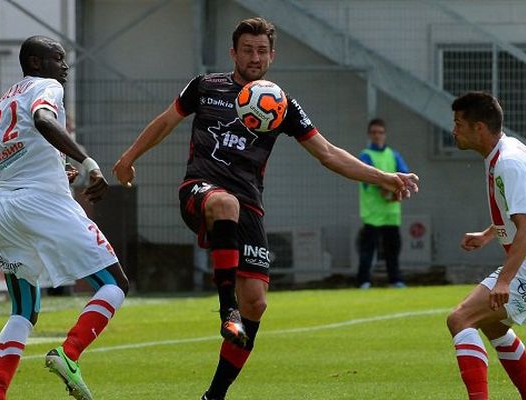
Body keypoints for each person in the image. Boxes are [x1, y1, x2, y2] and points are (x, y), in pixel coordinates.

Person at [113, 17, 418, 400]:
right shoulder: (206, 88)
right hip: (200, 191)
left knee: (256, 303)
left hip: (248, 207)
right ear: (233, 53)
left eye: (261, 51)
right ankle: (227, 310)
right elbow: (165, 122)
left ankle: (214, 395)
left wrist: (384, 177)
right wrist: (128, 158)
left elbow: (327, 154)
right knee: (224, 205)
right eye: (247, 50)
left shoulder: (281, 104)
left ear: (272, 55)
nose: (254, 58)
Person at [0, 35, 129, 400]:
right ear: (35, 63)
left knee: (24, 310)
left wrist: (52, 167)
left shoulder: (3, 102)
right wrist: (88, 164)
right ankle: (69, 353)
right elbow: (44, 120)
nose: (64, 66)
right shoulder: (46, 87)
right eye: (57, 58)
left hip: (4, 207)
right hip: (42, 203)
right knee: (115, 283)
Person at [447, 91, 526, 400]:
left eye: (459, 123)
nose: (454, 130)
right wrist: (489, 234)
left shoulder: (508, 163)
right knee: (494, 326)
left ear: (479, 128)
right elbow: (523, 211)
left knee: (460, 319)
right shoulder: (507, 151)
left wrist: (504, 280)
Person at [357, 118, 409, 289]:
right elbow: (368, 179)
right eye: (374, 132)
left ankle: (395, 280)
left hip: (391, 212)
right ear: (369, 135)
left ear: (385, 134)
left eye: (380, 132)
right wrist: (388, 188)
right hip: (372, 212)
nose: (377, 136)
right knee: (368, 249)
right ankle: (363, 281)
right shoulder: (366, 155)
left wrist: (397, 190)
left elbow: (405, 173)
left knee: (392, 249)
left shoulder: (393, 155)